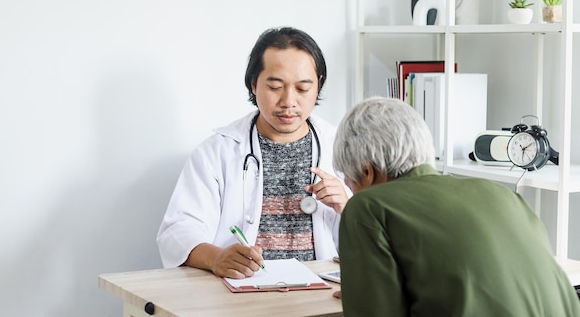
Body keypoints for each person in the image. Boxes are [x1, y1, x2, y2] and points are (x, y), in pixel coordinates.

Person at [333, 96, 580, 316]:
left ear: (367, 171)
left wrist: (363, 291)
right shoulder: (501, 195)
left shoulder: (367, 208)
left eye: (349, 182)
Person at [156, 27, 350, 279]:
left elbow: (382, 238)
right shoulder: (217, 152)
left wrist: (349, 207)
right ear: (253, 84)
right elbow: (178, 231)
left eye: (302, 88)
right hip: (242, 292)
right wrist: (217, 258)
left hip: (319, 290)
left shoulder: (344, 148)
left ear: (319, 85)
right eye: (275, 87)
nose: (289, 101)